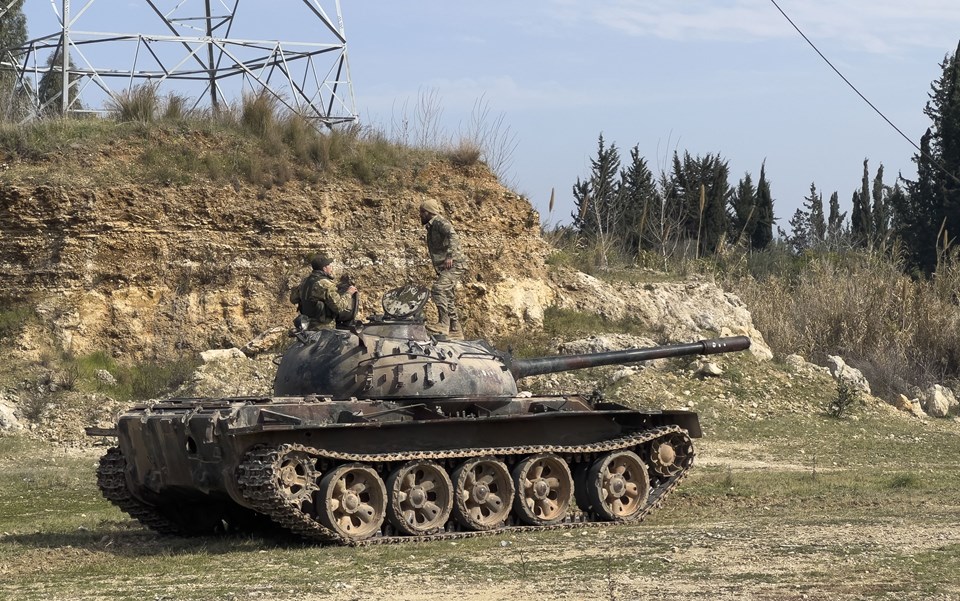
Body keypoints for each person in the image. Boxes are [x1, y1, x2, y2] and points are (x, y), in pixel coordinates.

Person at [419, 198, 465, 338]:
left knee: (438, 289)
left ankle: (443, 324)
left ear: (428, 212)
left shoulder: (440, 222)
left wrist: (450, 256)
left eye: (422, 212)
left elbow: (453, 236)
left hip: (454, 264)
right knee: (448, 296)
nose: (420, 215)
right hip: (446, 267)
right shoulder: (432, 225)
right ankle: (455, 330)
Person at [289, 254, 358, 330]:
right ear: (324, 268)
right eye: (329, 265)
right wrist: (349, 293)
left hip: (306, 326)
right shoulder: (325, 284)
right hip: (323, 328)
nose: (331, 268)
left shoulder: (305, 282)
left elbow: (293, 299)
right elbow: (339, 307)